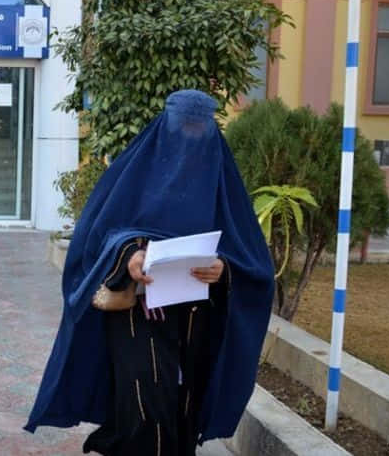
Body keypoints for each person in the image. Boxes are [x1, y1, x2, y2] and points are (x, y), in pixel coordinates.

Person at [24, 90, 275, 455]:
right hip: (137, 314)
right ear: (165, 124)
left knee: (182, 408)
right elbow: (97, 236)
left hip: (194, 321)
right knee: (146, 404)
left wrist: (224, 269)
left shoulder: (222, 180)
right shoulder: (134, 171)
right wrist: (130, 255)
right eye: (182, 127)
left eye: (199, 128)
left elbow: (252, 261)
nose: (189, 137)